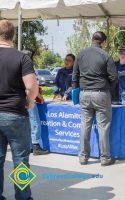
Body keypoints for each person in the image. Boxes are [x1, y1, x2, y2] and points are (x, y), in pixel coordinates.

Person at [0, 20, 38, 200]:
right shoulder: (22, 57)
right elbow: (32, 87)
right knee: (21, 160)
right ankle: (23, 197)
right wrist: (29, 103)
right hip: (15, 114)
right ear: (12, 35)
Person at [72, 31, 118, 166]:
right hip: (101, 93)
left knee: (85, 125)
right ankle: (105, 158)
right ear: (103, 42)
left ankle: (83, 157)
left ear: (92, 40)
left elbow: (74, 77)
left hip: (84, 94)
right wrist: (107, 87)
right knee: (103, 126)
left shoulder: (80, 54)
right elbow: (114, 77)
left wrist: (77, 92)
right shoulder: (106, 55)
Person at [22, 49, 49, 156]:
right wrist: (40, 96)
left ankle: (29, 146)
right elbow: (31, 85)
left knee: (26, 124)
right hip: (29, 98)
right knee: (35, 122)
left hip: (20, 99)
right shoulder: (28, 67)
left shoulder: (18, 65)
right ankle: (36, 146)